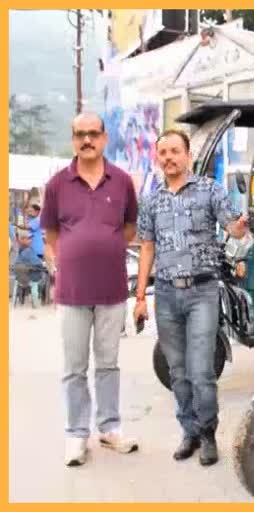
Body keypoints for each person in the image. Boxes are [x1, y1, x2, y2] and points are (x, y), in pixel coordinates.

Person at [134, 129, 248, 466]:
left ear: (188, 156)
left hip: (202, 292)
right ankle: (190, 432)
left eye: (175, 151)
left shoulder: (210, 191)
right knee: (177, 372)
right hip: (166, 295)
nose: (168, 158)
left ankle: (209, 433)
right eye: (163, 153)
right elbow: (147, 247)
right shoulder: (153, 200)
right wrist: (141, 296)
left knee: (201, 371)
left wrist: (240, 226)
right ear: (158, 158)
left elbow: (233, 228)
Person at [40, 112, 140, 467]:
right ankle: (76, 434)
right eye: (79, 134)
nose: (87, 140)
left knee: (108, 364)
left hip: (112, 290)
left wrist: (101, 247)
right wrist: (68, 260)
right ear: (73, 140)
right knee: (74, 367)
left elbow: (129, 228)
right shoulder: (56, 185)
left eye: (92, 134)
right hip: (71, 293)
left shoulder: (122, 181)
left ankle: (110, 428)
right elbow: (51, 234)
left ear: (104, 137)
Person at [14, 232, 46, 307]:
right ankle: (37, 303)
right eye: (28, 238)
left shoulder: (20, 250)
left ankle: (22, 299)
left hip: (19, 277)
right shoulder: (28, 250)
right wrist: (44, 264)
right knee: (45, 277)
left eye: (31, 238)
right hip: (29, 278)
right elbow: (38, 263)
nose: (31, 240)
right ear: (22, 240)